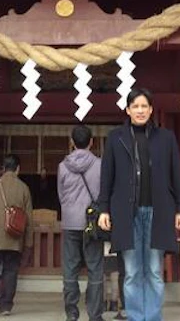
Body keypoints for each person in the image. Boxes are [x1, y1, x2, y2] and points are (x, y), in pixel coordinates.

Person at [98, 88, 180, 321]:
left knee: (155, 271)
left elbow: (176, 174)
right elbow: (107, 175)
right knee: (132, 272)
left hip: (158, 212)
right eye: (135, 106)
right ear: (127, 110)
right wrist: (103, 209)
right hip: (127, 213)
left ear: (150, 110)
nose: (140, 110)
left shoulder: (166, 138)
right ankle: (137, 317)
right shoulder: (115, 137)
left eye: (144, 106)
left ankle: (153, 317)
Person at [57, 125, 104, 321]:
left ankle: (72, 313)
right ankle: (94, 314)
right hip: (92, 223)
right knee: (95, 268)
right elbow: (103, 193)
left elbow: (61, 195)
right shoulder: (100, 164)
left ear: (72, 142)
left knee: (70, 267)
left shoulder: (62, 166)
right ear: (91, 142)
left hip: (70, 222)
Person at [0, 154, 33, 317]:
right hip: (14, 237)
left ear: (3, 168)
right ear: (17, 169)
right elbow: (29, 218)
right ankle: (5, 306)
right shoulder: (23, 188)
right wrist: (28, 241)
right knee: (10, 270)